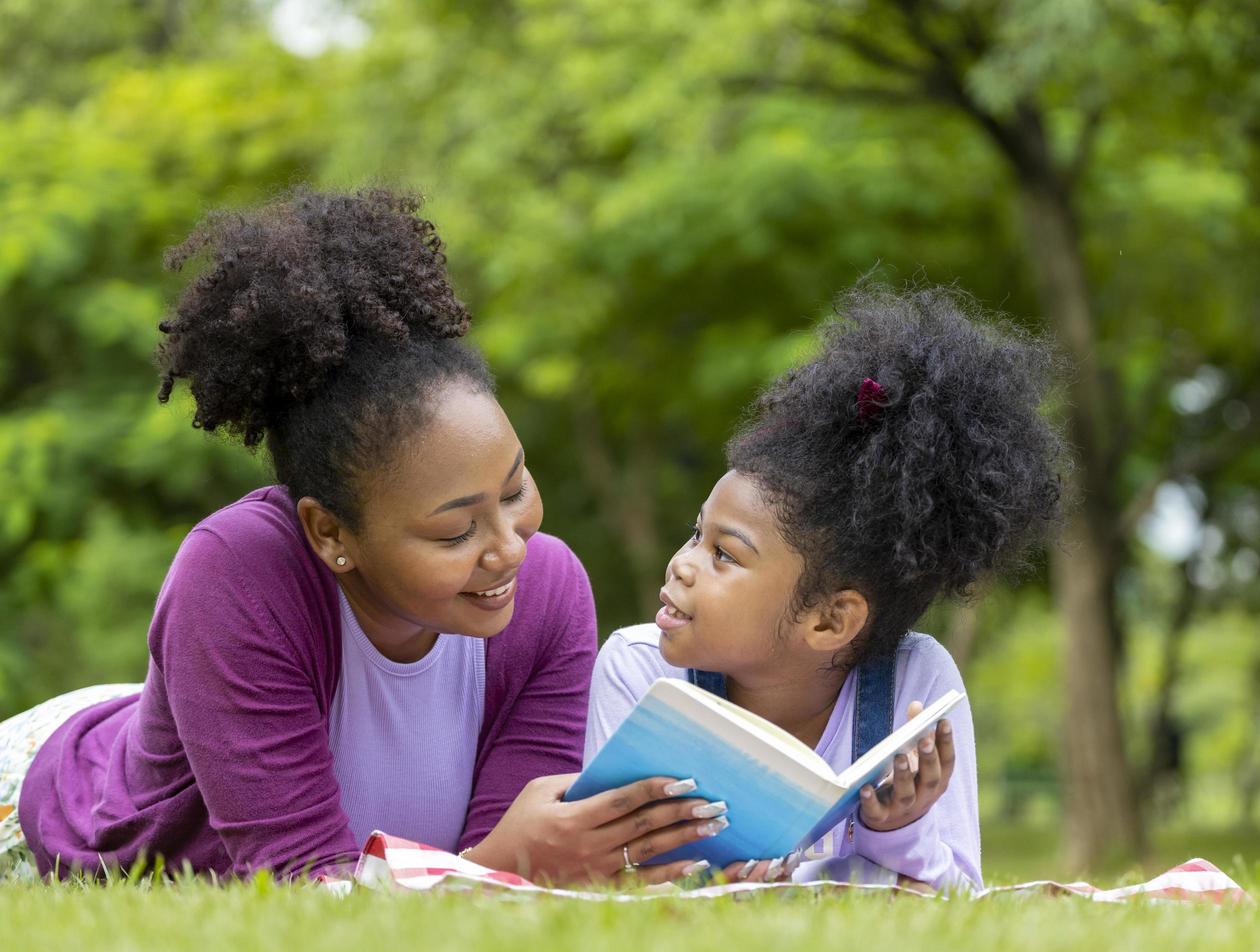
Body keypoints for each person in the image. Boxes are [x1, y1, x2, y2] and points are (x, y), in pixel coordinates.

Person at [0, 188, 725, 884]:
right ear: (330, 532)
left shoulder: (547, 592)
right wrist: (499, 862)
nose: (509, 546)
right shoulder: (238, 574)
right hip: (48, 803)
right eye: (454, 531)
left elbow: (507, 878)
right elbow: (306, 888)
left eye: (514, 489)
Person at [585, 284, 1064, 892]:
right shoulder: (640, 669)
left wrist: (897, 829)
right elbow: (604, 875)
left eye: (724, 555)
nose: (682, 565)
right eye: (695, 535)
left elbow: (957, 899)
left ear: (831, 621)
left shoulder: (915, 689)